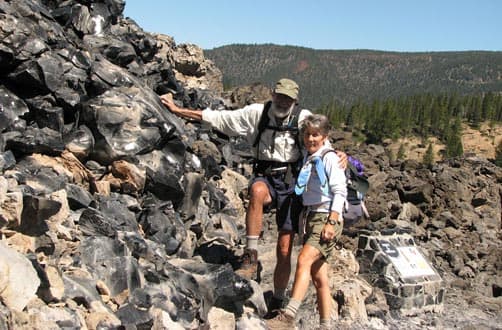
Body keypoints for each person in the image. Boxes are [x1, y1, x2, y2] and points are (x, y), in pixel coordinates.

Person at [160, 79, 346, 313]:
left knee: (285, 247)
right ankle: (250, 256)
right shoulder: (257, 114)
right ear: (272, 94)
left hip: (292, 184)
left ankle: (277, 299)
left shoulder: (301, 118)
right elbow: (219, 118)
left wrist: (339, 154)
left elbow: (319, 139)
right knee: (256, 191)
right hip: (266, 176)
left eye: (287, 98)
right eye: (279, 96)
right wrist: (178, 110)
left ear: (295, 101)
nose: (282, 101)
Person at [266, 114, 347, 330]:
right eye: (308, 134)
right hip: (310, 217)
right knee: (319, 276)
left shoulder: (329, 158)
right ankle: (325, 325)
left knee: (303, 260)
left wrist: (332, 221)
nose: (311, 139)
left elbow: (340, 190)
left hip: (325, 216)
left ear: (325, 136)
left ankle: (288, 315)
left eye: (316, 135)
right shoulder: (310, 156)